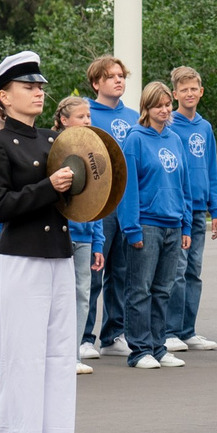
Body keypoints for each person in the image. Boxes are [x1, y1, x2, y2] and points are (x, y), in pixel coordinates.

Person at [0, 51, 83, 433]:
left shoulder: (52, 139)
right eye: (27, 87)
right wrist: (48, 188)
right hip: (21, 261)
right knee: (22, 369)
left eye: (40, 86)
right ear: (4, 96)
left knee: (59, 368)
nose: (39, 92)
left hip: (59, 257)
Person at [125, 81, 191, 368]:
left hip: (173, 224)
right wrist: (132, 228)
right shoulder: (135, 139)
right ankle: (139, 350)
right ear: (146, 108)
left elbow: (183, 184)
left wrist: (186, 225)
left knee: (164, 289)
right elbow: (128, 188)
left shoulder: (175, 140)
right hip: (147, 224)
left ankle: (158, 346)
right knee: (140, 289)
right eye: (158, 106)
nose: (164, 110)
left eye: (167, 105)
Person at [82, 56, 143, 357]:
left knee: (120, 272)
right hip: (98, 206)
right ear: (96, 83)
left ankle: (113, 334)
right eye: (110, 76)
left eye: (121, 76)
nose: (118, 80)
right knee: (94, 272)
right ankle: (83, 336)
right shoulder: (86, 113)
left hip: (125, 205)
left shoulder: (134, 116)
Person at [163, 66, 217, 355]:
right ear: (175, 94)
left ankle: (188, 330)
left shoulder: (205, 127)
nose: (189, 93)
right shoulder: (169, 125)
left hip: (199, 210)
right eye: (183, 89)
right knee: (177, 270)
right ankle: (170, 330)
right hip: (178, 209)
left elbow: (211, 169)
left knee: (194, 272)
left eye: (193, 88)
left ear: (200, 91)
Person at [51, 93, 104, 376]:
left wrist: (98, 241)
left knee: (82, 295)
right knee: (57, 296)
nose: (86, 121)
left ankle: (72, 353)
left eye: (88, 117)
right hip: (60, 234)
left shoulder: (91, 149)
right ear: (63, 120)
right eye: (81, 117)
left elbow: (95, 200)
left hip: (85, 236)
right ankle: (55, 354)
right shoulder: (54, 148)